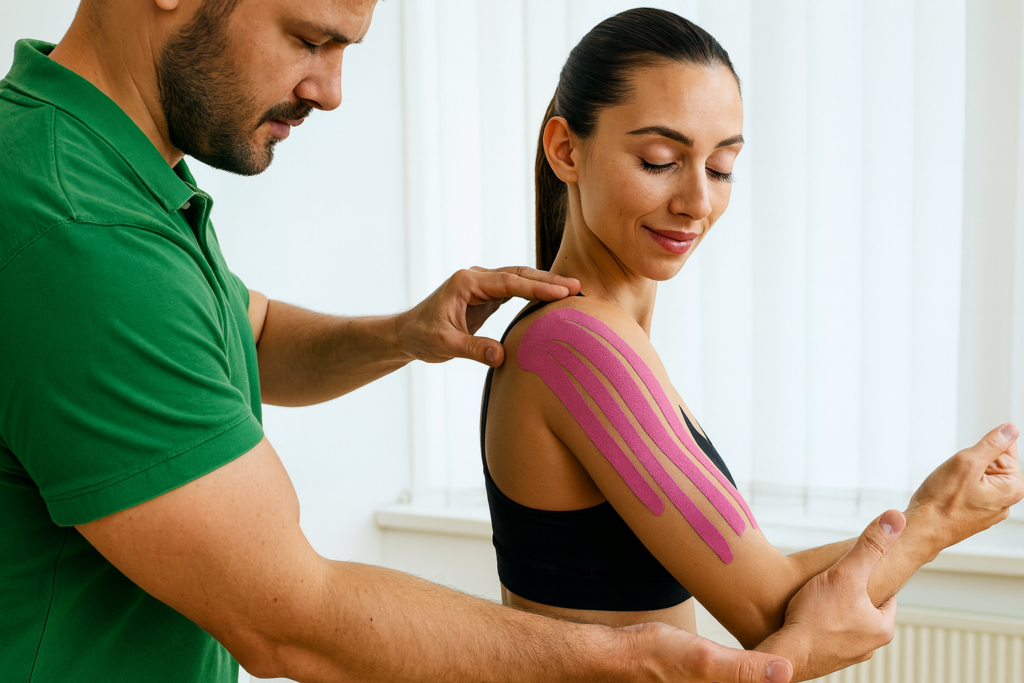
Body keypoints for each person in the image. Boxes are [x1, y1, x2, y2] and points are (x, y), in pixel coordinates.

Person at [0, 1, 915, 681]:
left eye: (723, 165)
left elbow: (250, 333)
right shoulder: (77, 227)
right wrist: (627, 662)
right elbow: (290, 616)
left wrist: (404, 333)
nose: (332, 89)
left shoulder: (118, 177)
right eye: (310, 38)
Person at [481, 8, 1024, 682]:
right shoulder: (577, 344)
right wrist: (938, 517)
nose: (696, 201)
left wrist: (940, 511)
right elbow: (772, 610)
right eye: (659, 161)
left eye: (722, 166)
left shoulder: (590, 335)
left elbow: (781, 588)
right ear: (565, 148)